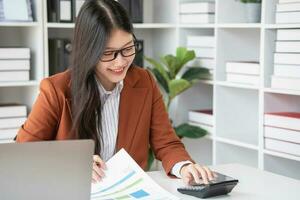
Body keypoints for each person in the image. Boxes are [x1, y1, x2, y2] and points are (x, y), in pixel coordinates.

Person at [16, 0, 215, 185]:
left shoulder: (144, 82)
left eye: (128, 48)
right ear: (88, 51)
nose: (120, 62)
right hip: (72, 190)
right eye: (108, 53)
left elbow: (166, 142)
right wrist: (70, 164)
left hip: (127, 191)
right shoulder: (56, 89)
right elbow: (23, 153)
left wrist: (184, 166)